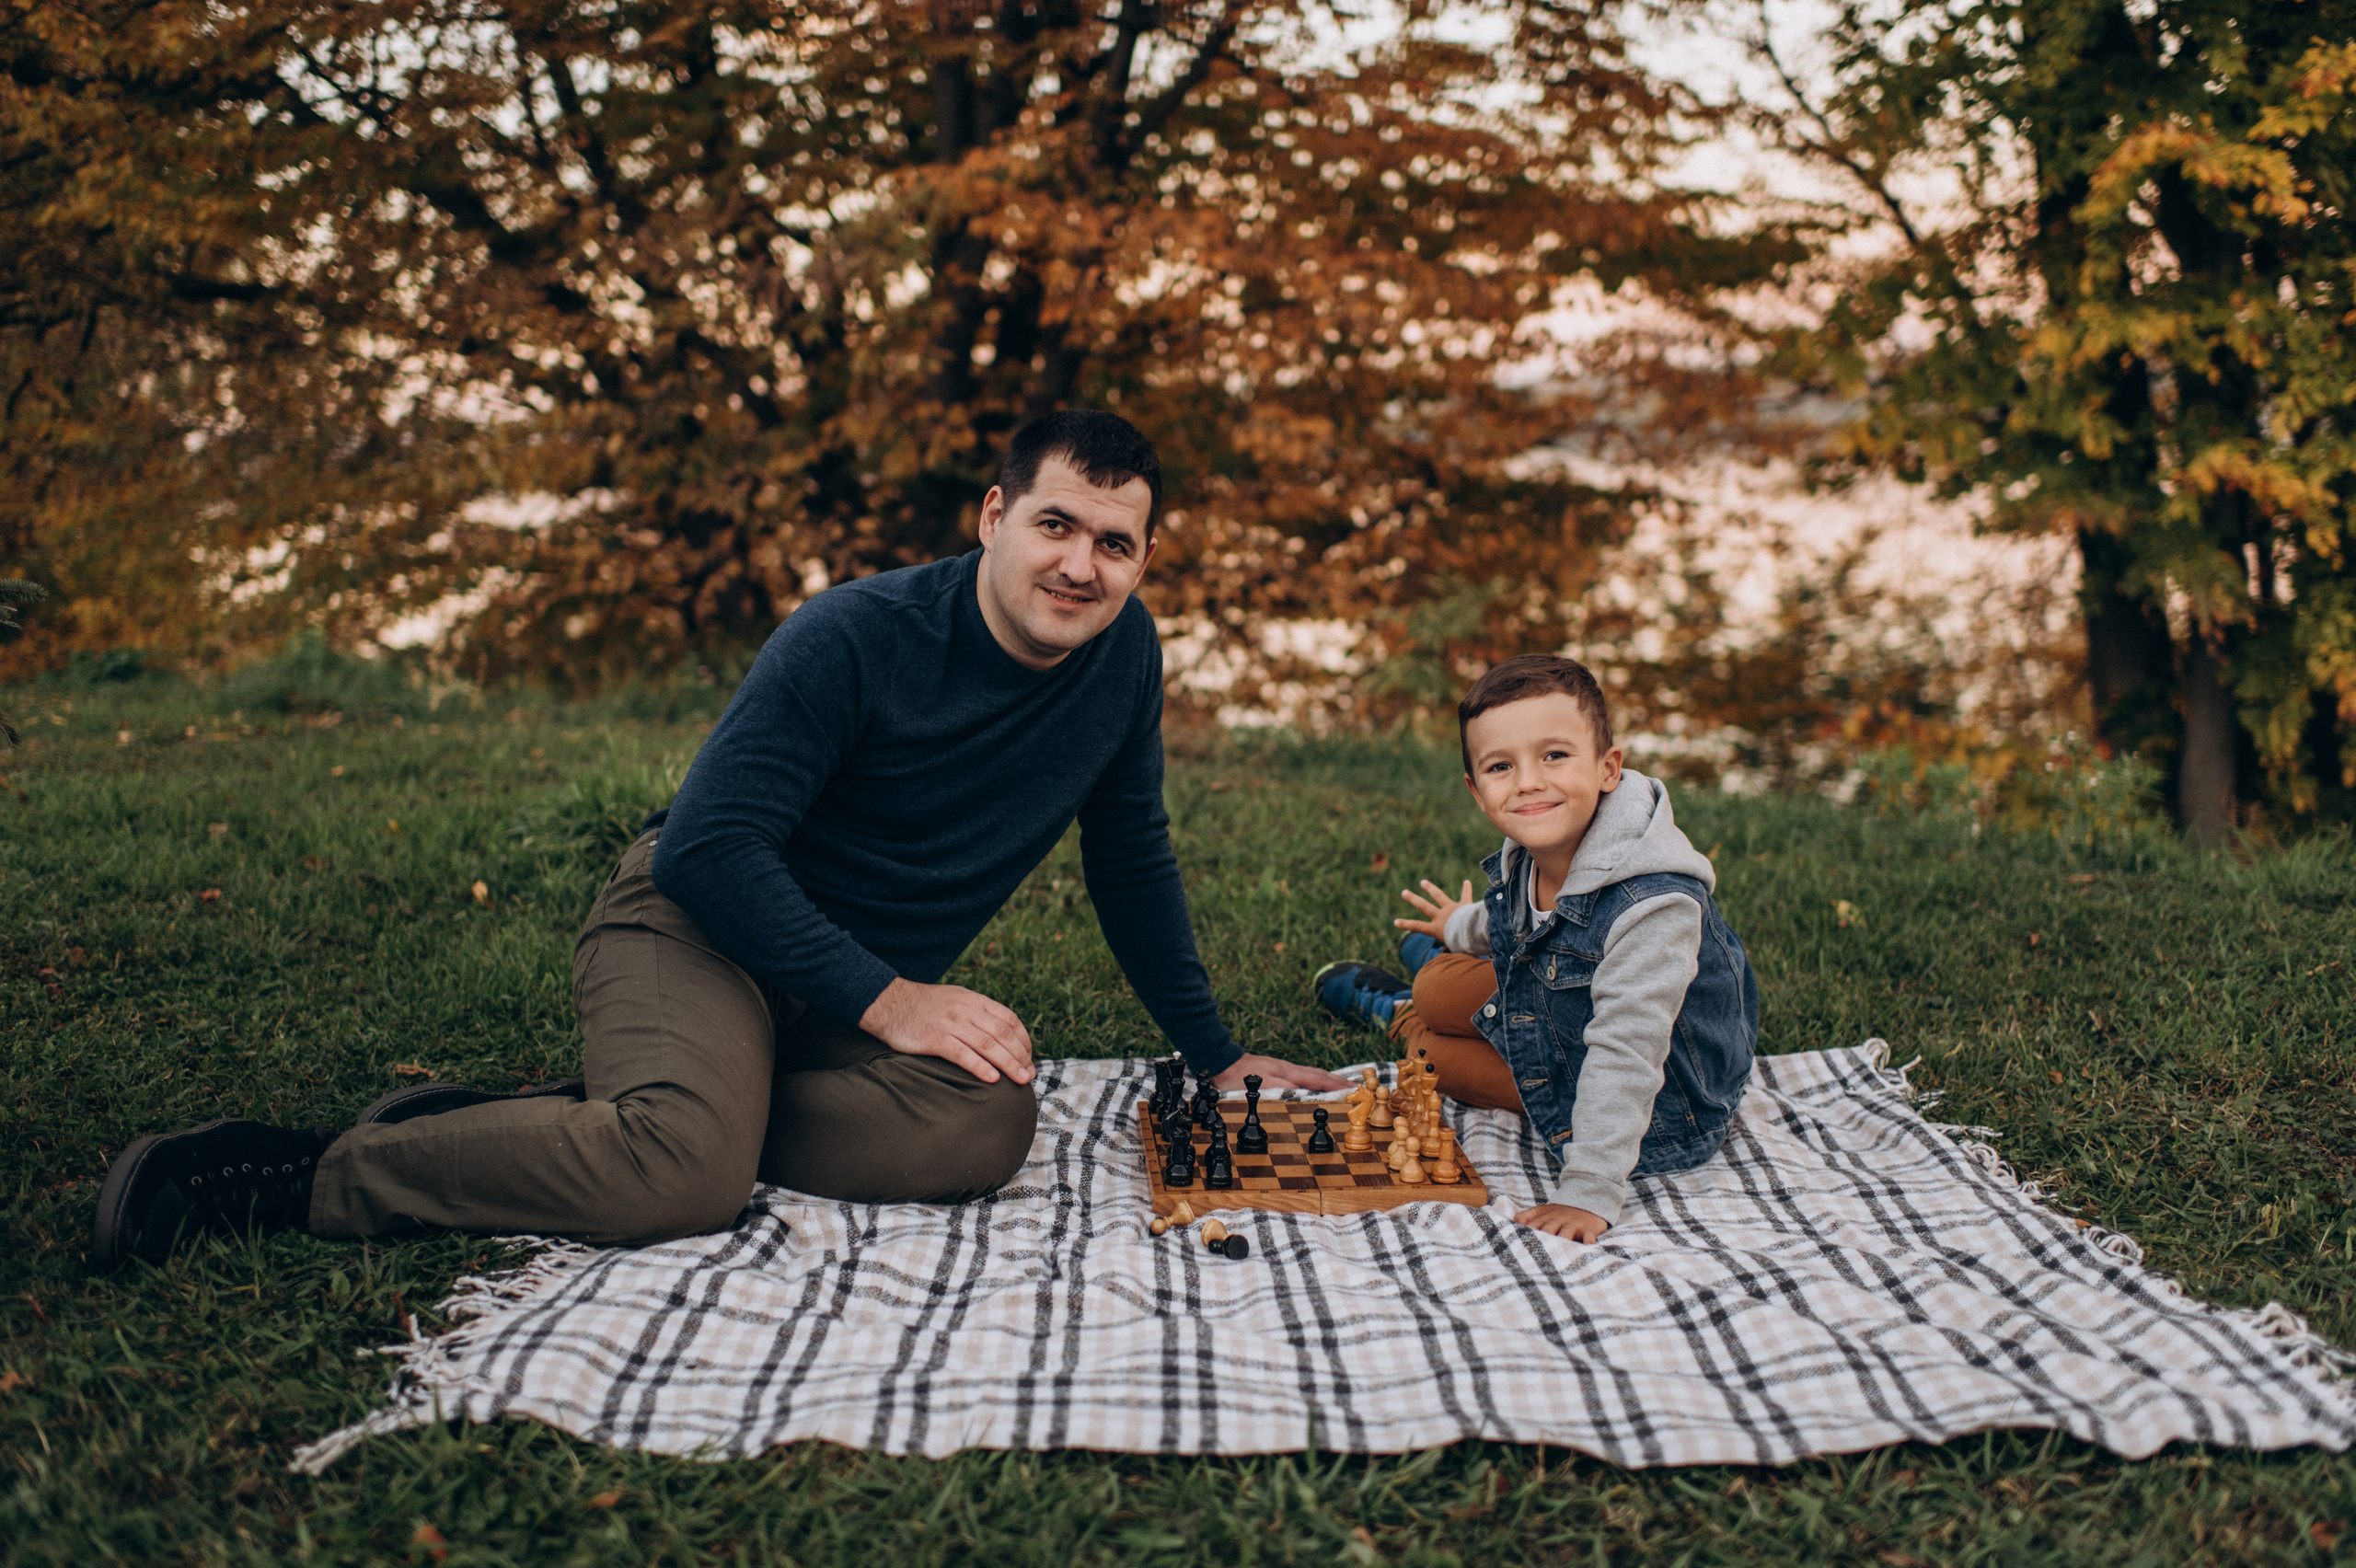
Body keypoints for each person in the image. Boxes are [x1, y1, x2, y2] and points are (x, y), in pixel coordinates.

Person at [95, 409, 1347, 1268]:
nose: (1081, 566)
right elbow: (708, 850)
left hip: (837, 989)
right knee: (684, 1181)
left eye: (1115, 545)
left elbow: (1129, 854)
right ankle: (300, 1174)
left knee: (983, 1123)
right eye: (1057, 526)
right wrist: (894, 1001)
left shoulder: (1122, 660)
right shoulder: (853, 635)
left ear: (1143, 560)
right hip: (698, 925)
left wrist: (1216, 1053)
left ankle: (587, 1119)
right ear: (994, 517)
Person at [1311, 654, 1757, 1241]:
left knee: (1427, 1053)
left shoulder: (1654, 906)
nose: (1528, 782)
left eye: (1554, 755)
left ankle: (1400, 1012)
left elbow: (1627, 1051)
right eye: (1501, 766)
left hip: (1660, 1110)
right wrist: (1457, 925)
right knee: (1436, 988)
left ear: (1608, 768)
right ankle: (1439, 969)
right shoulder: (1536, 849)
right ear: (1476, 791)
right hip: (1559, 1003)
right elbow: (1520, 915)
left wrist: (1589, 1190)